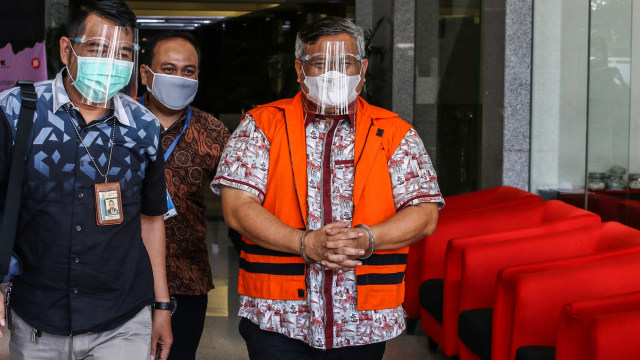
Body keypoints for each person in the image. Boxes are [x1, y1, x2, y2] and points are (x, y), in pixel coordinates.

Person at [212, 16, 444, 360]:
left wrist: (367, 238)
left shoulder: (395, 133)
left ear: (362, 70)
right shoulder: (261, 125)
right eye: (320, 63)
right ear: (299, 69)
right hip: (278, 315)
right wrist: (304, 243)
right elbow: (237, 208)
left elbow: (424, 214)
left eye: (346, 63)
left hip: (364, 319)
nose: (333, 74)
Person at [0, 1, 173, 359]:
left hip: (123, 318)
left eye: (123, 53)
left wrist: (162, 307)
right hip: (36, 318)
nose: (111, 63)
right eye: (99, 49)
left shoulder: (143, 127)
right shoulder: (16, 112)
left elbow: (151, 220)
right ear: (67, 49)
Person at [139, 31, 230, 360]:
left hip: (186, 279)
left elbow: (243, 202)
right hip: (121, 277)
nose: (179, 78)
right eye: (168, 68)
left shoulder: (212, 131)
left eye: (188, 71)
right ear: (145, 74)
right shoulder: (118, 122)